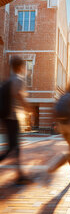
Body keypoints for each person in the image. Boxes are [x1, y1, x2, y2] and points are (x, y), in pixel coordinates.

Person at [0, 56, 32, 184]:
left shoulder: (8, 80)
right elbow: (19, 96)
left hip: (7, 117)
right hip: (12, 117)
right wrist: (29, 110)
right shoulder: (18, 80)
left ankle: (20, 175)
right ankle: (20, 176)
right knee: (12, 147)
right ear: (19, 67)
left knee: (13, 147)